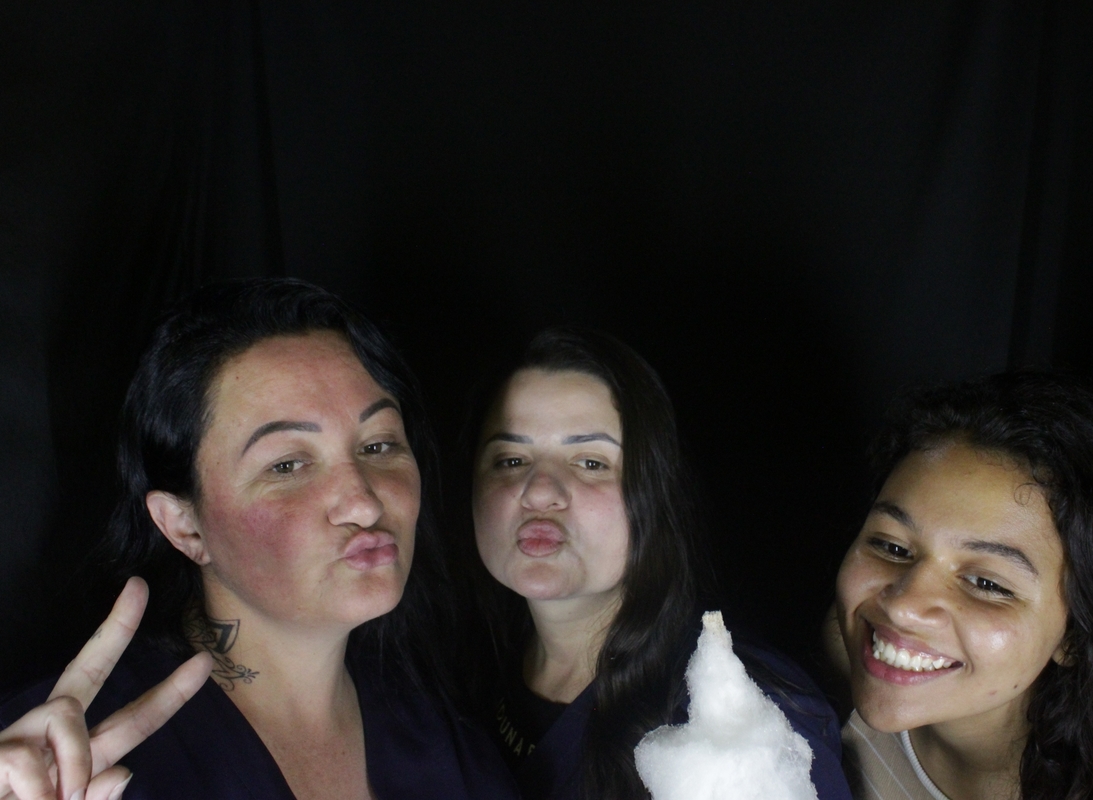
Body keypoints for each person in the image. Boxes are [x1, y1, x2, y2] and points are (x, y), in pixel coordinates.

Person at [0, 278, 517, 800]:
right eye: (287, 465)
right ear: (183, 525)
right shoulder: (56, 763)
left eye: (379, 445)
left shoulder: (451, 742)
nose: (364, 503)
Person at [457, 327, 852, 800]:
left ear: (654, 493)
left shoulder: (745, 715)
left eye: (591, 463)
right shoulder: (452, 669)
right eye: (510, 459)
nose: (539, 492)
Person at [835, 371, 1093, 799]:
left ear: (1077, 636)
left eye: (986, 583)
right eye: (892, 547)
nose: (902, 607)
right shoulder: (839, 659)